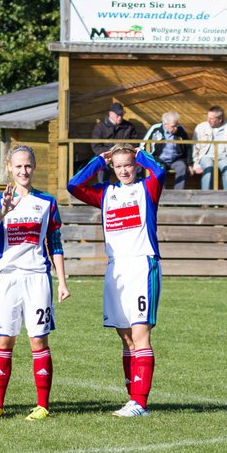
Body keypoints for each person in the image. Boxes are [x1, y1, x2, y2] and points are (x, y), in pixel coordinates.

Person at [68, 144, 164, 417]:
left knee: (140, 333)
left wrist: (140, 153)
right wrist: (99, 159)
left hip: (142, 264)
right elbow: (74, 185)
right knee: (125, 338)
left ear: (136, 166)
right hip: (116, 268)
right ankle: (132, 398)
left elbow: (160, 171)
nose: (124, 170)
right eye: (118, 165)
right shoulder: (106, 193)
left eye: (128, 164)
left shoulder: (147, 189)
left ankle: (140, 403)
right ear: (112, 167)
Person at [0, 145, 70, 421]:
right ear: (9, 167)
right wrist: (4, 211)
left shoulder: (47, 201)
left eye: (27, 165)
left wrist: (62, 282)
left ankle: (42, 405)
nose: (23, 171)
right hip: (7, 278)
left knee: (38, 340)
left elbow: (54, 243)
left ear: (34, 166)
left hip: (37, 278)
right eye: (18, 166)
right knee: (4, 341)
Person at [191, 105, 227, 190]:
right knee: (208, 168)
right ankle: (205, 200)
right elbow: (194, 147)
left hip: (224, 157)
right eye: (208, 117)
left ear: (220, 119)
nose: (208, 120)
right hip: (206, 156)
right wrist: (196, 164)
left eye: (211, 118)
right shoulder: (201, 127)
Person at [141, 111, 191, 190]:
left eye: (177, 125)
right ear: (165, 124)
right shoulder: (155, 128)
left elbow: (188, 147)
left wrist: (190, 164)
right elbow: (143, 144)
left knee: (182, 167)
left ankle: (178, 197)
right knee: (160, 169)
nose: (176, 128)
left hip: (176, 159)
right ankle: (162, 196)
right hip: (159, 159)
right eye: (173, 126)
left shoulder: (181, 130)